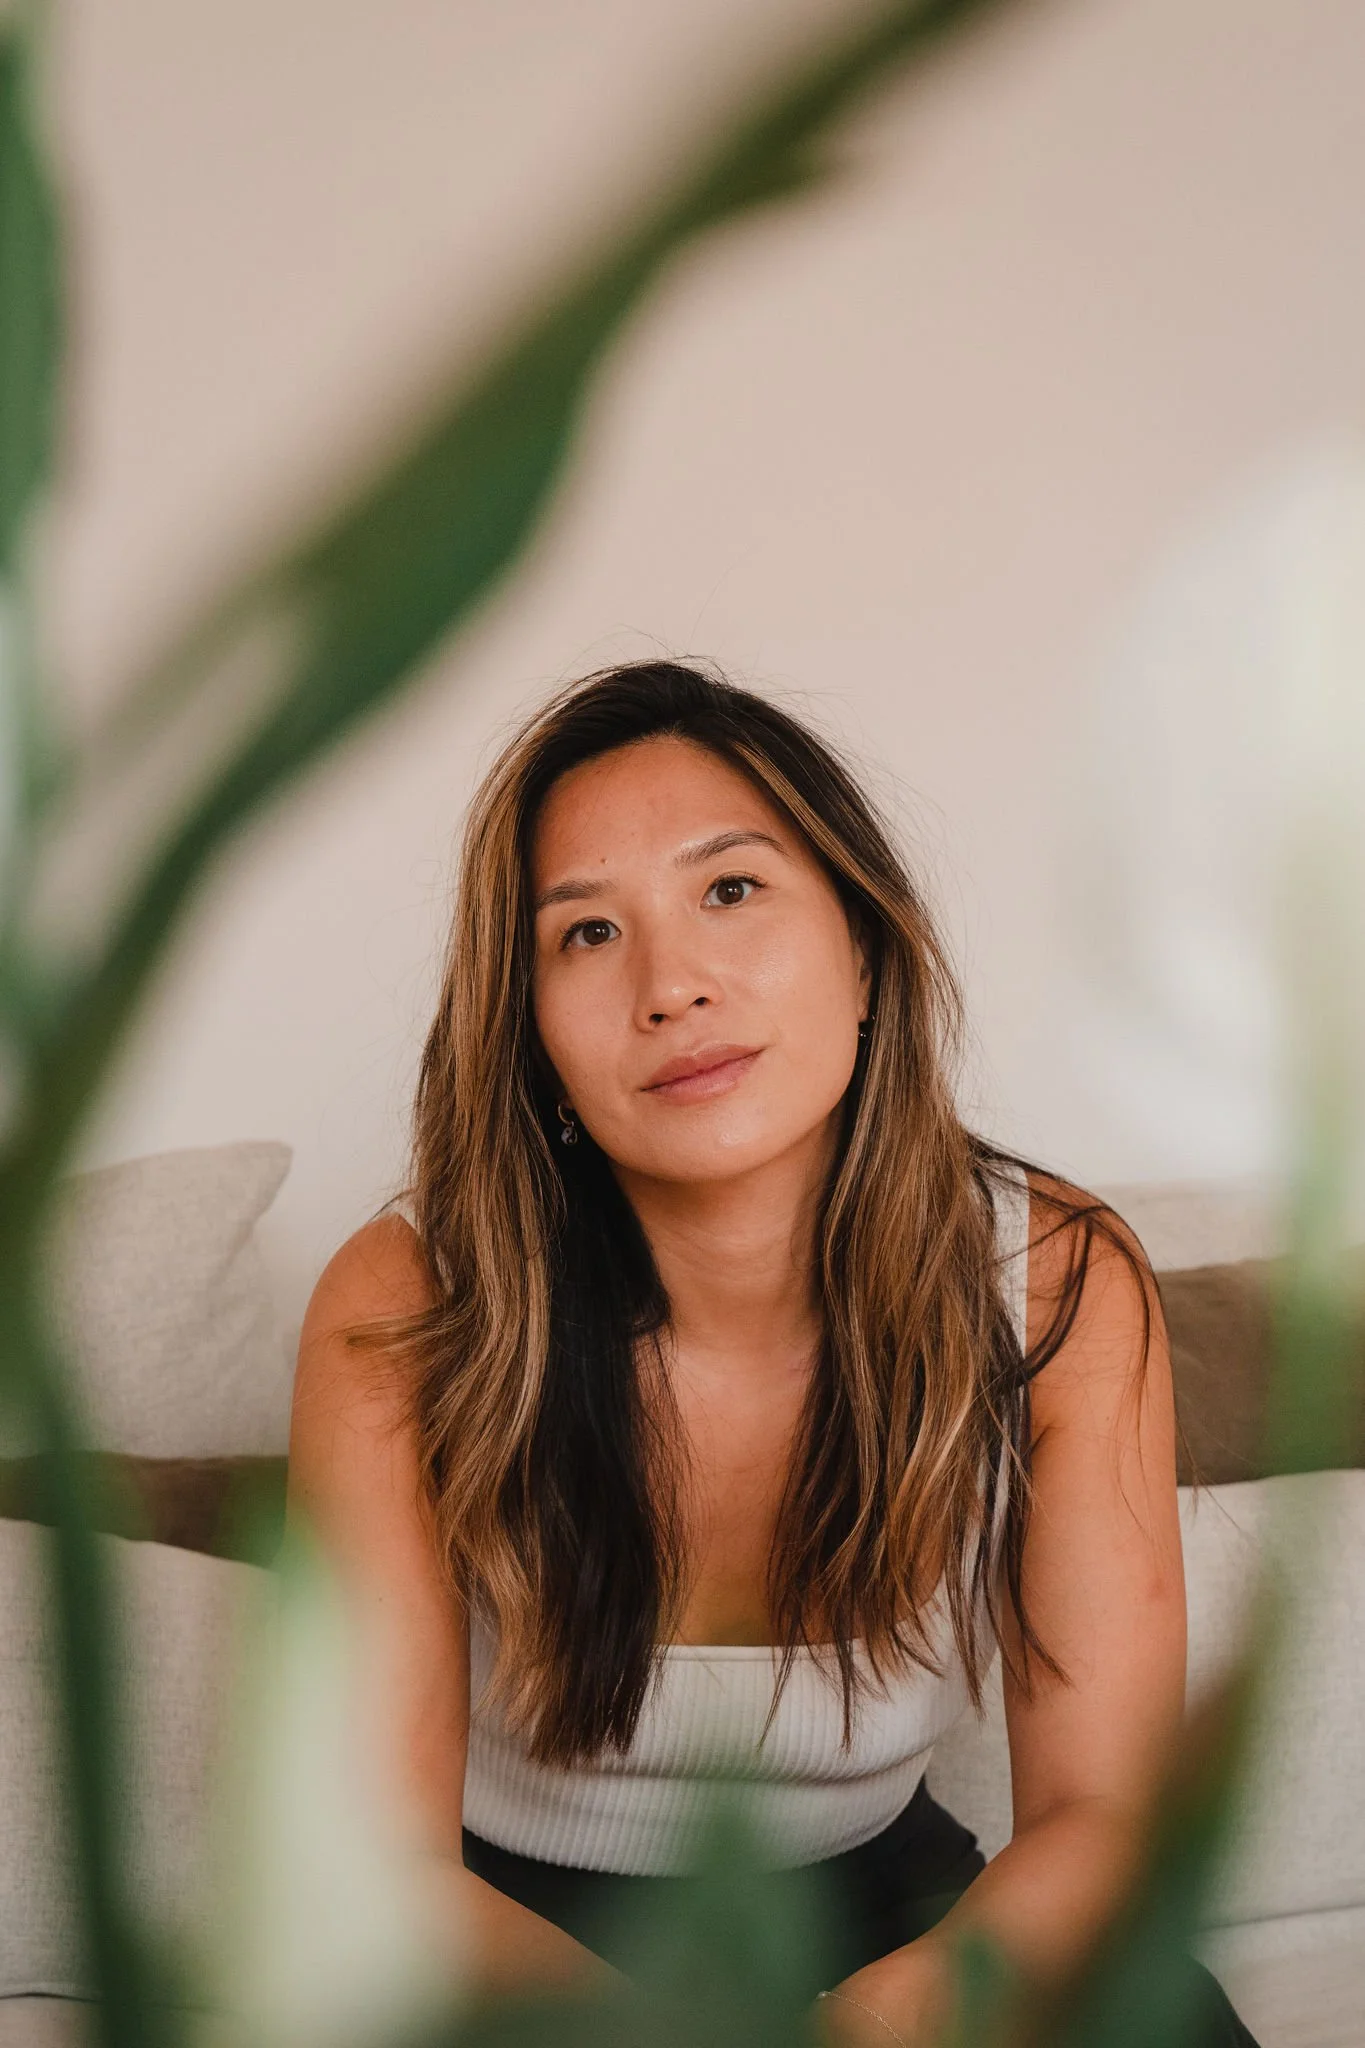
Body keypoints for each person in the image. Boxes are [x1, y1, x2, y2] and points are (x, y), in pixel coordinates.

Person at [288, 661, 1258, 2045]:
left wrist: (876, 2021)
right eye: (585, 935)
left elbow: (1101, 1814)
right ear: (532, 1036)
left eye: (730, 889)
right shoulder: (408, 1300)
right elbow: (376, 1869)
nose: (673, 985)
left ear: (864, 947)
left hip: (891, 1912)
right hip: (501, 1931)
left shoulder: (1057, 1283)